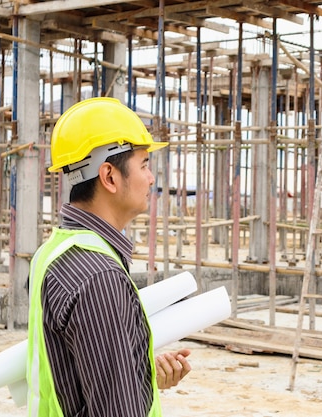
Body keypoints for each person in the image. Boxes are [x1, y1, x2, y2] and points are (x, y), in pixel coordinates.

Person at [26, 97, 190, 417]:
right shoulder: (98, 276)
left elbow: (71, 375)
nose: (152, 178)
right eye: (144, 164)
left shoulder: (54, 253)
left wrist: (135, 372)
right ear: (110, 176)